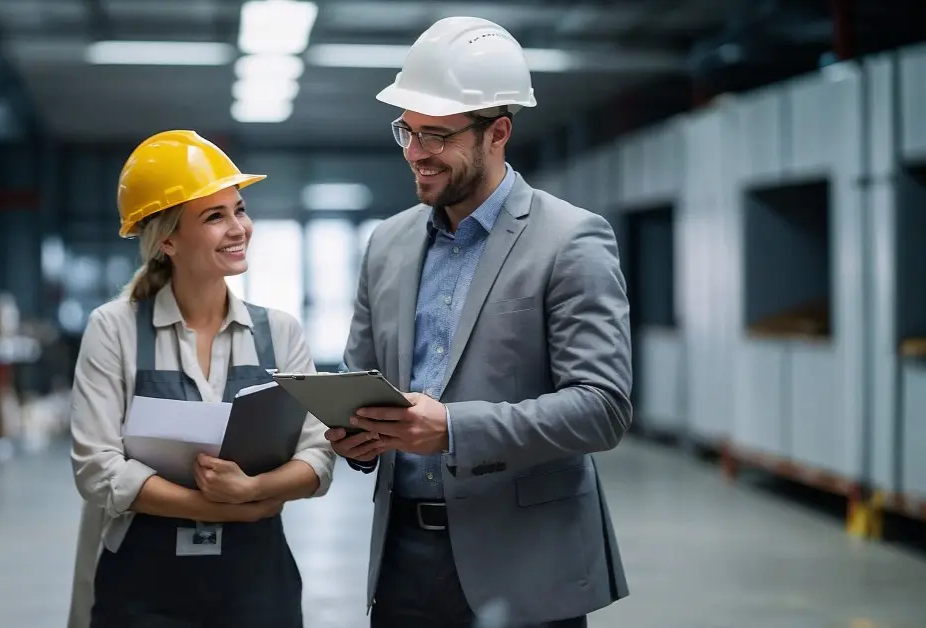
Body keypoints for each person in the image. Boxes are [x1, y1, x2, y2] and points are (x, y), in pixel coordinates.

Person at [324, 16, 632, 628]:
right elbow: (357, 375)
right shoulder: (387, 242)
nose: (416, 154)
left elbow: (602, 407)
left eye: (436, 135)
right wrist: (354, 434)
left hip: (525, 566)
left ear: (498, 132)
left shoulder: (571, 239)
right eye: (406, 132)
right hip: (404, 562)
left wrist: (452, 430)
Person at [66, 130, 336, 628]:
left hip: (256, 582)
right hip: (143, 588)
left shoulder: (280, 333)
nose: (239, 228)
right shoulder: (115, 329)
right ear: (166, 239)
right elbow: (96, 468)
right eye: (215, 216)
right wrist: (226, 507)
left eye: (239, 209)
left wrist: (250, 493)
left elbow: (318, 457)